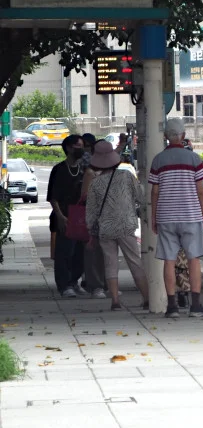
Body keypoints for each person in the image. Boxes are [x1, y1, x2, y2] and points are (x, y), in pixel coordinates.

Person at [148, 117, 203, 318]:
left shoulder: (158, 160)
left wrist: (154, 217)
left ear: (166, 137)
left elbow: (154, 192)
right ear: (183, 136)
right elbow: (200, 190)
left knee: (169, 260)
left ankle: (172, 307)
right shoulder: (195, 159)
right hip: (191, 216)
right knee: (193, 259)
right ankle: (196, 305)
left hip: (166, 217)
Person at [85, 141, 148, 311]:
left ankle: (115, 301)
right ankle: (147, 298)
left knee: (110, 263)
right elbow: (140, 197)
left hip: (105, 228)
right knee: (135, 262)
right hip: (126, 226)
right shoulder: (126, 176)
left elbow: (91, 211)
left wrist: (91, 231)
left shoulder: (95, 183)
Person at [47, 135, 86, 298]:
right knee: (64, 252)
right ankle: (64, 285)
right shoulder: (59, 169)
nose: (81, 149)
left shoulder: (84, 170)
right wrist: (61, 216)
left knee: (80, 252)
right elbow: (53, 196)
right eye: (78, 146)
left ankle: (73, 281)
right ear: (69, 148)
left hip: (81, 216)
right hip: (63, 215)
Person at [79, 133, 107, 298]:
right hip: (93, 216)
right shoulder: (90, 173)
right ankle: (95, 284)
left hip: (108, 216)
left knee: (105, 253)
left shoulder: (110, 173)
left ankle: (104, 284)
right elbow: (85, 197)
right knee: (93, 251)